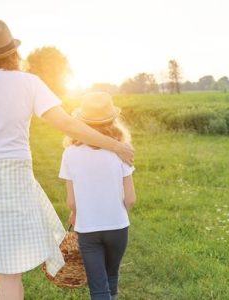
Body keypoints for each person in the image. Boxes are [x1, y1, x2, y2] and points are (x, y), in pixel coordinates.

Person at [0, 19, 134, 300]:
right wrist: (114, 145)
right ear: (13, 52)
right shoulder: (29, 83)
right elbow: (67, 125)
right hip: (14, 178)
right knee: (8, 270)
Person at [59, 92, 136, 300]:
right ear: (113, 120)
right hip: (118, 227)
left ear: (81, 123)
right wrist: (116, 213)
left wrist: (75, 213)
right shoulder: (122, 152)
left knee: (98, 288)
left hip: (88, 229)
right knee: (112, 277)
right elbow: (130, 199)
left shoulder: (70, 154)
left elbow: (71, 202)